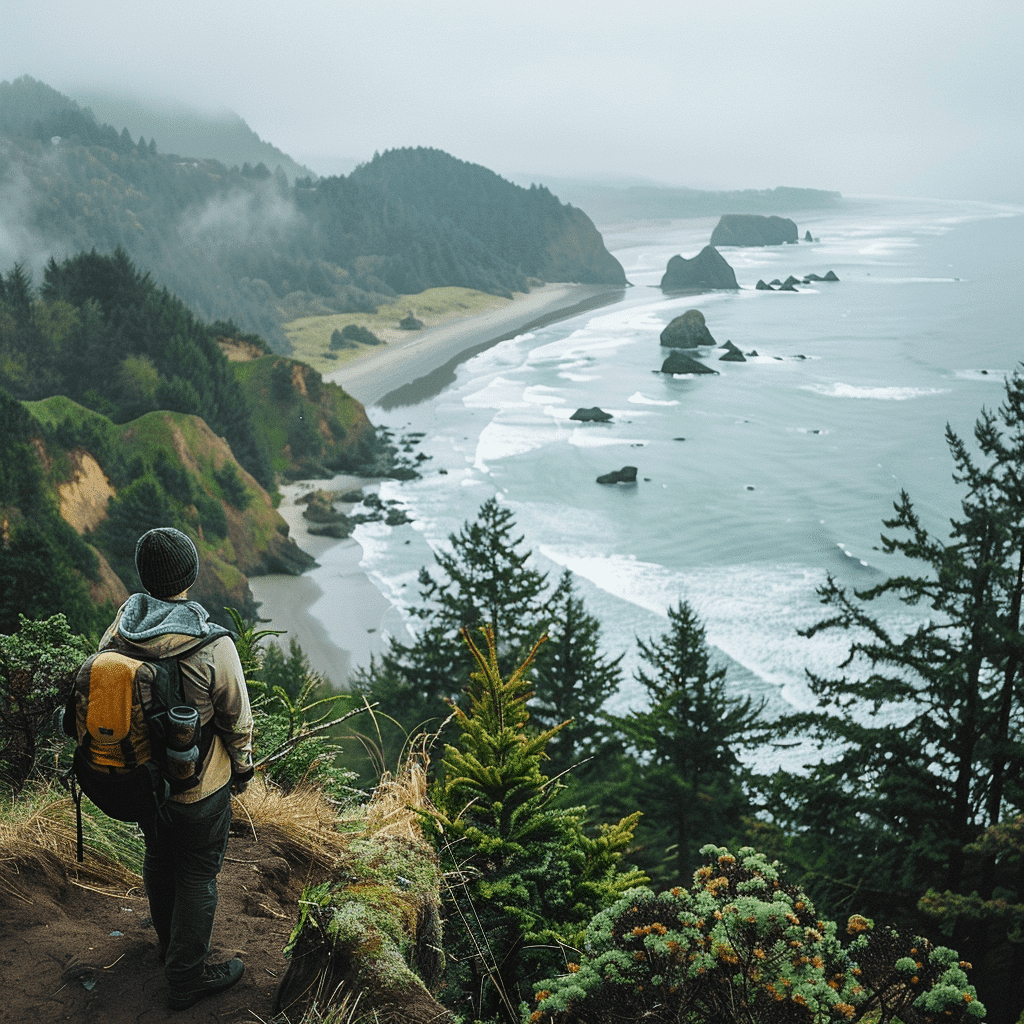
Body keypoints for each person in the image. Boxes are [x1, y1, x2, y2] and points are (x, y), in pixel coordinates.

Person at [98, 527, 255, 1011]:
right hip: (199, 787)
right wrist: (243, 769)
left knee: (160, 857)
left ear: (145, 577)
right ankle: (185, 977)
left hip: (144, 782)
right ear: (190, 574)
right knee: (197, 873)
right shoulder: (212, 644)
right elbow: (238, 720)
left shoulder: (121, 629)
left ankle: (169, 948)